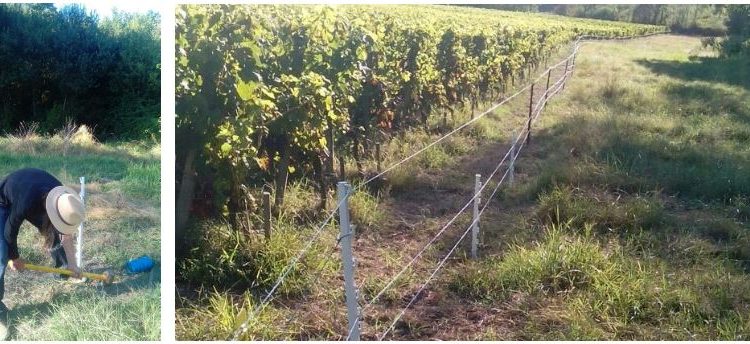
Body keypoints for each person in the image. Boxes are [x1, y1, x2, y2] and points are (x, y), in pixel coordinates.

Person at [0, 168, 85, 340]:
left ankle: (64, 270)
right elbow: (10, 231)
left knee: (54, 231)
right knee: (1, 251)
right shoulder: (26, 202)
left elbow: (65, 234)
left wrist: (72, 264)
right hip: (4, 200)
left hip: (33, 192)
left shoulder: (64, 200)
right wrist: (14, 257)